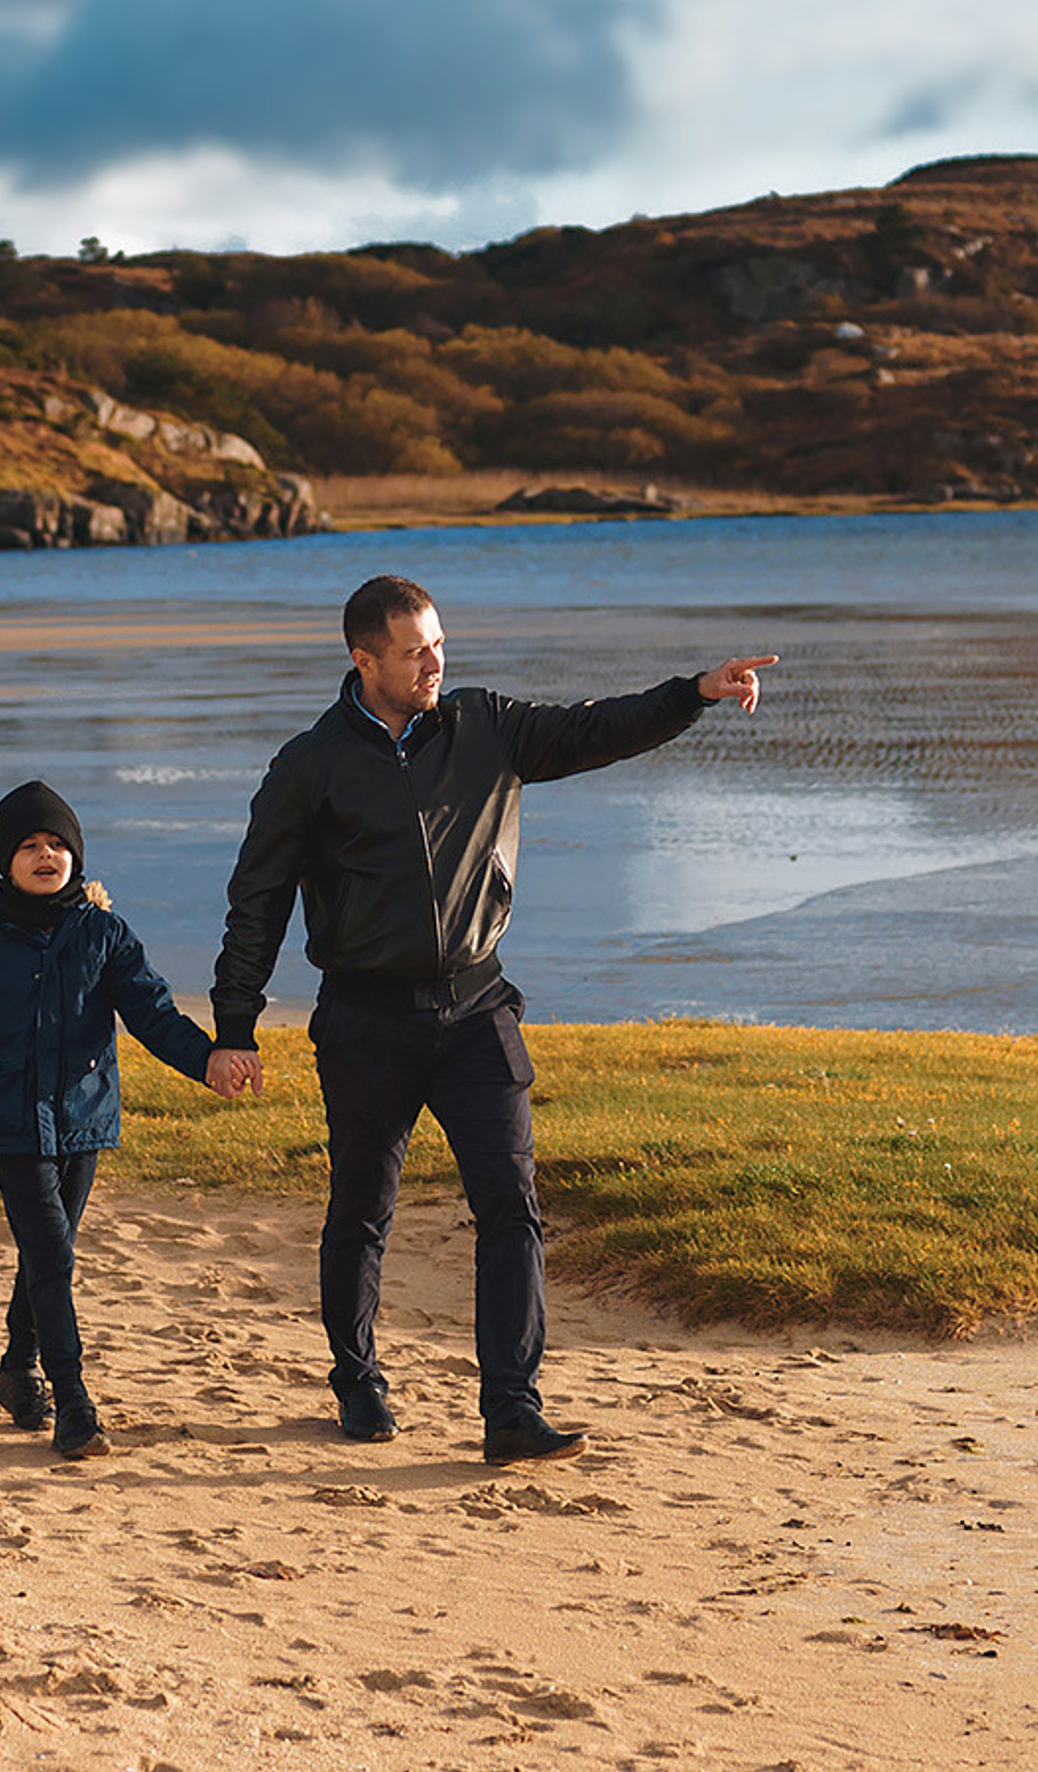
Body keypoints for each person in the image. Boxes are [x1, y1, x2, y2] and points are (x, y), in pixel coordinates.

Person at [210, 574, 776, 1464]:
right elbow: (258, 902)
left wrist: (691, 695)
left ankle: (511, 1407)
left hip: (476, 1006)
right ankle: (357, 1379)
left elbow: (594, 729)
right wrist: (235, 1025)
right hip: (366, 1019)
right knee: (362, 1210)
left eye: (439, 643)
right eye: (414, 651)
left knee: (513, 1207)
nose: (436, 662)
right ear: (365, 661)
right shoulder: (309, 766)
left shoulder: (486, 727)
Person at [0, 781, 242, 1460]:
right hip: (12, 1122)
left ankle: (15, 1370)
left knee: (44, 1255)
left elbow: (152, 1014)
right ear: (6, 861)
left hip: (85, 1118)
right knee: (54, 1256)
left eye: (57, 844)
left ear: (76, 855)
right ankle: (74, 1403)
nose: (45, 855)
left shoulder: (103, 933)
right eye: (30, 846)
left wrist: (205, 1060)